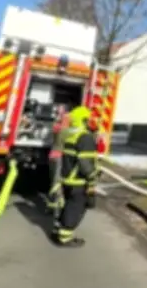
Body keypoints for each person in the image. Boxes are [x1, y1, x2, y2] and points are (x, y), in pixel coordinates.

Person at [53, 105, 100, 247]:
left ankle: (59, 230)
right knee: (76, 208)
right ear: (83, 120)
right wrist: (92, 178)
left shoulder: (71, 136)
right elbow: (85, 162)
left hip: (67, 179)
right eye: (88, 120)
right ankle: (65, 238)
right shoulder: (85, 138)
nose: (91, 122)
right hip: (78, 181)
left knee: (68, 206)